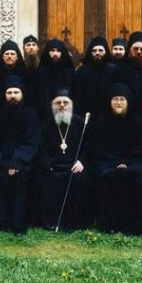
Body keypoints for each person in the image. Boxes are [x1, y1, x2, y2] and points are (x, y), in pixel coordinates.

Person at [0, 75, 41, 233]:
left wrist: (16, 162)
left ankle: (16, 223)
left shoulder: (31, 115)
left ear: (22, 94)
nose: (12, 95)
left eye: (16, 92)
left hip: (21, 162)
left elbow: (31, 143)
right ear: (4, 95)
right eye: (9, 92)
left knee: (18, 175)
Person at [93, 83, 142, 234]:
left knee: (138, 177)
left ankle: (135, 227)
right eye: (115, 99)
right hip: (108, 162)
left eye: (122, 99)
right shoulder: (101, 120)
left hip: (133, 162)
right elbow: (99, 147)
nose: (118, 102)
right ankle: (108, 225)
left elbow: (141, 147)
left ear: (128, 102)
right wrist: (117, 162)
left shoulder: (137, 120)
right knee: (106, 177)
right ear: (110, 102)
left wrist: (126, 162)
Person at [36, 90, 93, 230]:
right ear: (52, 105)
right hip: (52, 166)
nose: (62, 105)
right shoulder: (46, 123)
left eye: (65, 102)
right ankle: (51, 222)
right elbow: (40, 147)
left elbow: (89, 146)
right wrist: (47, 164)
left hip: (74, 166)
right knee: (44, 179)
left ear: (71, 105)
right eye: (58, 102)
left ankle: (73, 223)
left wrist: (81, 161)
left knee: (82, 179)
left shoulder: (80, 123)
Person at [111, 31, 142, 121]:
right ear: (130, 50)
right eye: (135, 49)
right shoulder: (120, 70)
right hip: (127, 118)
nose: (139, 52)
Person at [73, 36, 115, 118]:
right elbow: (79, 95)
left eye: (100, 50)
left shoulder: (113, 70)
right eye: (94, 51)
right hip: (87, 114)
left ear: (105, 52)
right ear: (90, 53)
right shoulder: (82, 71)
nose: (97, 53)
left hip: (108, 114)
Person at [37, 38, 75, 120]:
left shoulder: (70, 72)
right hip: (45, 114)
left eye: (58, 51)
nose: (55, 53)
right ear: (48, 52)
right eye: (52, 50)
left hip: (66, 113)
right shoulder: (40, 72)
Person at [0, 39, 26, 108]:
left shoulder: (25, 72)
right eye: (7, 54)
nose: (9, 56)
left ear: (17, 57)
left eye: (12, 54)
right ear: (2, 57)